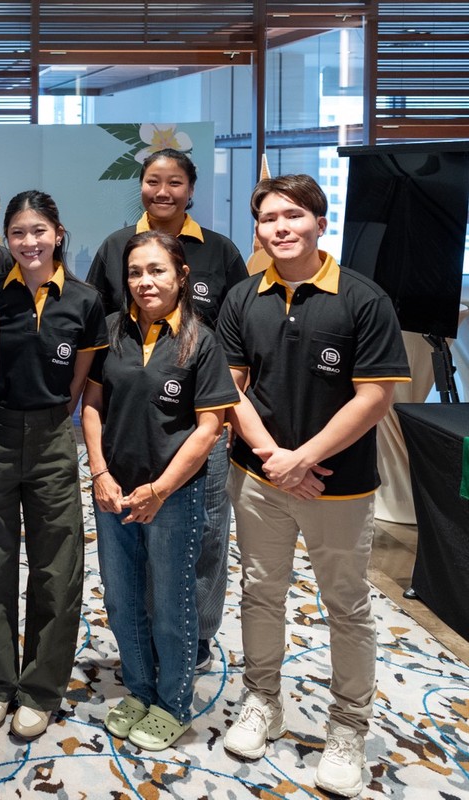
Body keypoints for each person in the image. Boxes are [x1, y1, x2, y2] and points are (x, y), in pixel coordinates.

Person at [218, 175, 409, 797]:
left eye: (294, 215)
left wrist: (303, 459)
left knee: (346, 605)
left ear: (321, 224)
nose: (280, 227)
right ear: (257, 230)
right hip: (259, 478)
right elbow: (231, 389)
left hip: (339, 485)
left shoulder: (363, 299)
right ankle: (262, 700)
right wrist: (274, 459)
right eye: (268, 218)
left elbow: (374, 397)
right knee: (260, 592)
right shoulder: (243, 298)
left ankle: (348, 726)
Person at [86, 148, 248, 673]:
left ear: (191, 189)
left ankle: (194, 638)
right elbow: (98, 328)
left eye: (174, 182)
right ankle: (145, 639)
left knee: (204, 537)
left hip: (201, 421)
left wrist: (226, 410)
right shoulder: (116, 246)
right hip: (132, 422)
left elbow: (239, 332)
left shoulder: (220, 251)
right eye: (153, 181)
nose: (163, 192)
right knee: (133, 537)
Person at [81, 230, 238, 752]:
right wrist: (99, 473)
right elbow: (92, 406)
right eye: (135, 272)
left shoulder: (201, 341)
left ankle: (172, 703)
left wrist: (161, 489)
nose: (144, 282)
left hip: (173, 495)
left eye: (156, 271)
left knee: (171, 602)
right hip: (114, 491)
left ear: (181, 276)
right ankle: (140, 689)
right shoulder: (111, 331)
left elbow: (209, 427)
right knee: (122, 598)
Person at [0, 190, 107, 741]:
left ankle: (41, 689)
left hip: (51, 440)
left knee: (57, 567)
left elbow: (79, 382)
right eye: (19, 233)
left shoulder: (85, 300)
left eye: (39, 231)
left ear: (58, 233)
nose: (29, 242)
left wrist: (52, 419)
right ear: (6, 238)